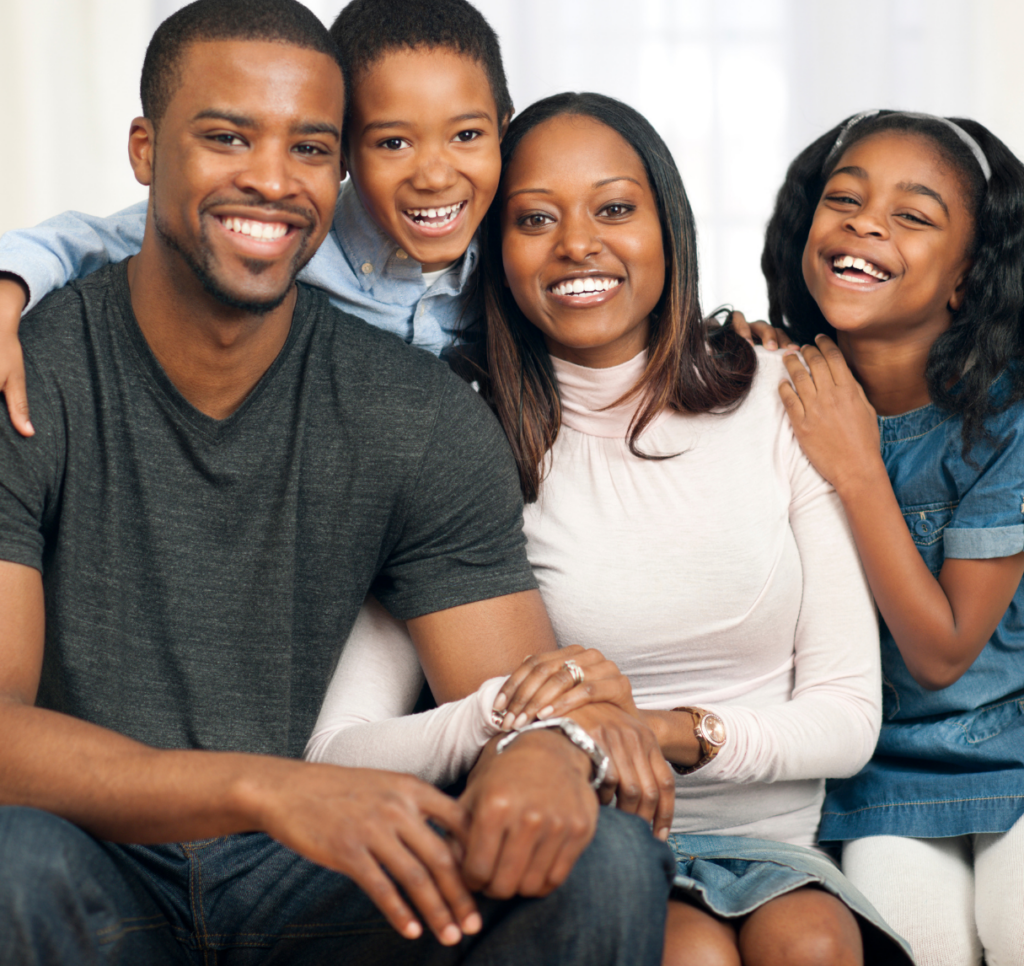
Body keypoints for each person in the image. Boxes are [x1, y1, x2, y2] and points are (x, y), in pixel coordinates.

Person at [0, 0, 677, 965]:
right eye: (229, 138)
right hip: (92, 858)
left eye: (311, 148)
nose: (274, 180)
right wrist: (266, 788)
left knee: (600, 858)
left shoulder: (417, 408)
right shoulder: (30, 373)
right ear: (146, 151)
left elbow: (513, 695)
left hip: (316, 879)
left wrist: (544, 752)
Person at [290, 92, 915, 965]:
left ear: (670, 226)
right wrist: (526, 719)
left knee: (810, 942)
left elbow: (849, 719)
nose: (577, 244)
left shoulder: (781, 396)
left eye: (615, 208)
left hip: (777, 851)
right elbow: (337, 754)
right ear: (495, 253)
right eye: (535, 219)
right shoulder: (454, 440)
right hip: (589, 852)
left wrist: (644, 731)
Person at [0, 0, 510, 437]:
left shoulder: (513, 250)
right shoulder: (288, 231)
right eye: (393, 143)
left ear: (502, 131)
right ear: (344, 155)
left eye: (467, 135)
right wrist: (8, 289)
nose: (436, 176)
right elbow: (91, 239)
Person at [755, 109, 1024, 966]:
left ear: (966, 279)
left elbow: (943, 651)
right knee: (922, 943)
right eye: (844, 200)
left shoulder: (1009, 419)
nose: (866, 223)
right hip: (875, 774)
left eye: (913, 215)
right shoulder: (780, 386)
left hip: (1009, 754)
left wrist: (859, 468)